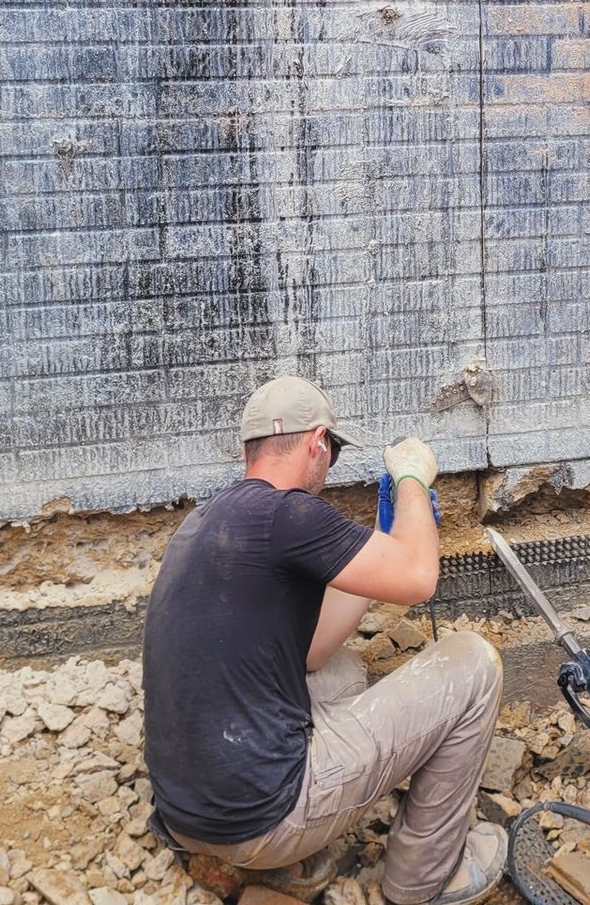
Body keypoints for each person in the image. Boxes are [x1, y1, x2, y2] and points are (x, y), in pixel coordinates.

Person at [142, 376, 507, 905]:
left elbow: (308, 652)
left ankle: (277, 849)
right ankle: (425, 878)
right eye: (332, 452)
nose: (329, 465)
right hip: (265, 817)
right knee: (474, 664)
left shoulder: (206, 521)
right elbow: (417, 578)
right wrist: (410, 479)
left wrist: (385, 536)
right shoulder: (289, 513)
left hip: (189, 813)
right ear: (316, 442)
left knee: (343, 669)